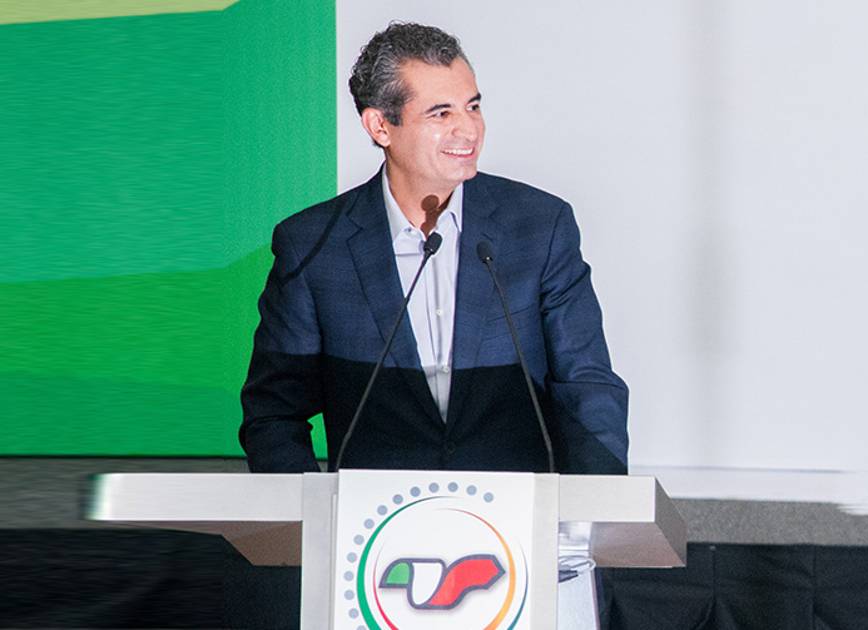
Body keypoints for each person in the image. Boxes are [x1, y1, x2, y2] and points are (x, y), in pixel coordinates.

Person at [239, 22, 628, 475]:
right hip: (375, 514)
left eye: (473, 106)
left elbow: (587, 385)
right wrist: (314, 510)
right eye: (441, 114)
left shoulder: (540, 226)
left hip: (517, 508)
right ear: (380, 125)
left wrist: (595, 506)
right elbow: (273, 413)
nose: (469, 129)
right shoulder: (314, 246)